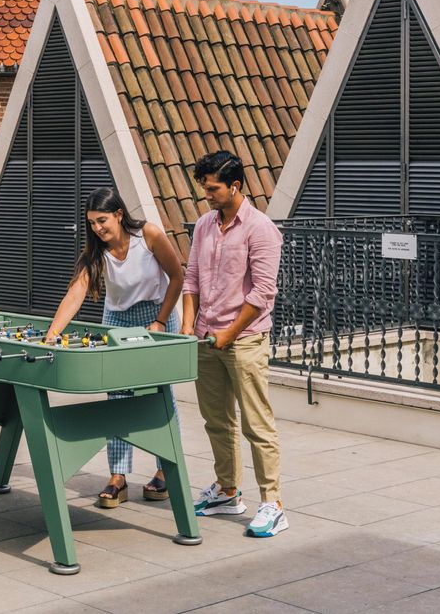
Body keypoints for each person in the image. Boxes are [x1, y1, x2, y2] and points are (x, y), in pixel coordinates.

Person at [42, 187, 184, 509]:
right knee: (117, 396)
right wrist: (52, 333)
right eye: (92, 222)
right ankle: (118, 477)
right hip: (117, 320)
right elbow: (76, 293)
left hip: (156, 317)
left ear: (119, 215)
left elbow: (177, 277)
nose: (97, 228)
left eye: (102, 220)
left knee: (161, 395)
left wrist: (161, 321)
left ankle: (166, 470)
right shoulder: (96, 252)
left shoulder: (148, 235)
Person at [183, 151, 287, 538]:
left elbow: (263, 292)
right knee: (217, 421)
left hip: (245, 340)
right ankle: (227, 491)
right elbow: (191, 278)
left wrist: (229, 334)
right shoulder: (204, 225)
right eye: (205, 188)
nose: (206, 195)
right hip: (206, 337)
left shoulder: (260, 229)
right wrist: (188, 326)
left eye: (213, 189)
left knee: (257, 424)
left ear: (235, 186)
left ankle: (273, 504)